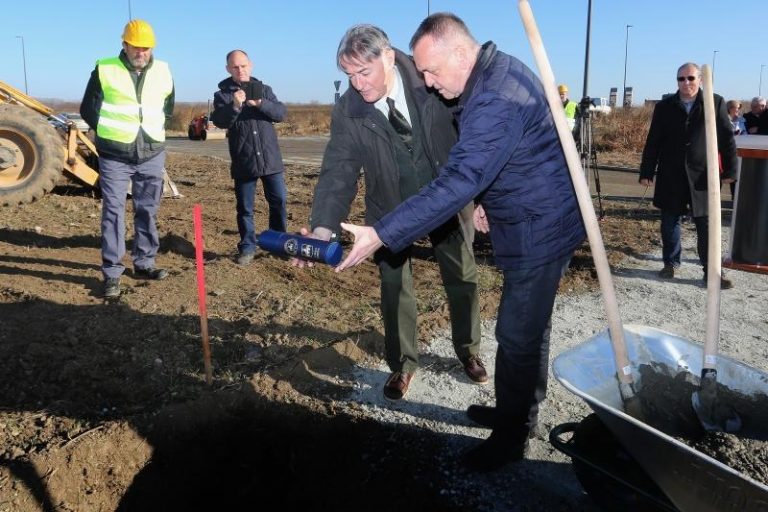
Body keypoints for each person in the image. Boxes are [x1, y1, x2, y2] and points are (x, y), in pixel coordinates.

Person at [335, 13, 585, 471]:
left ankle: (511, 438)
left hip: (540, 226)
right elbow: (497, 157)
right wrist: (488, 197)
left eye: (431, 71)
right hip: (534, 213)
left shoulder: (494, 97)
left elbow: (461, 177)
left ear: (461, 53)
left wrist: (381, 233)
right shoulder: (491, 73)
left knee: (516, 333)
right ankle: (518, 414)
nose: (427, 83)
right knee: (529, 331)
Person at [297, 24, 486, 401]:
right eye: (349, 75)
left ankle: (469, 349)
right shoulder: (349, 111)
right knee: (395, 287)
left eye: (363, 72)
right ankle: (402, 364)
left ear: (387, 57)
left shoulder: (430, 79)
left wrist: (482, 197)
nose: (357, 84)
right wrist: (323, 227)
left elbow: (473, 134)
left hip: (446, 196)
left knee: (462, 275)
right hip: (389, 208)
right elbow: (339, 170)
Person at [80, 19, 175, 299]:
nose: (141, 52)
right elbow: (88, 109)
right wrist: (110, 136)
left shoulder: (164, 70)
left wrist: (151, 134)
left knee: (148, 209)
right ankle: (112, 271)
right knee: (113, 211)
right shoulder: (105, 68)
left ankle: (144, 263)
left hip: (151, 153)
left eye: (146, 48)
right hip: (115, 155)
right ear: (124, 44)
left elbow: (167, 108)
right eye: (136, 47)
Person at [639, 63, 736, 288]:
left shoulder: (715, 102)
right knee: (670, 221)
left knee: (706, 224)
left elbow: (727, 140)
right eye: (681, 79)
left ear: (700, 80)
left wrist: (730, 171)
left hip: (703, 176)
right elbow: (653, 140)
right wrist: (646, 170)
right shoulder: (665, 106)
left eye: (690, 78)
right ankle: (670, 263)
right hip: (671, 174)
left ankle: (711, 271)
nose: (686, 83)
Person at [211, 50, 288, 265]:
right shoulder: (222, 95)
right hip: (244, 160)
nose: (240, 70)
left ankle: (277, 242)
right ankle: (247, 247)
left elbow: (281, 113)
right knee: (245, 208)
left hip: (270, 158)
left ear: (251, 65)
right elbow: (220, 121)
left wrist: (260, 103)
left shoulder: (264, 90)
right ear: (228, 69)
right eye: (235, 67)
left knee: (279, 201)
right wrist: (235, 105)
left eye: (243, 65)